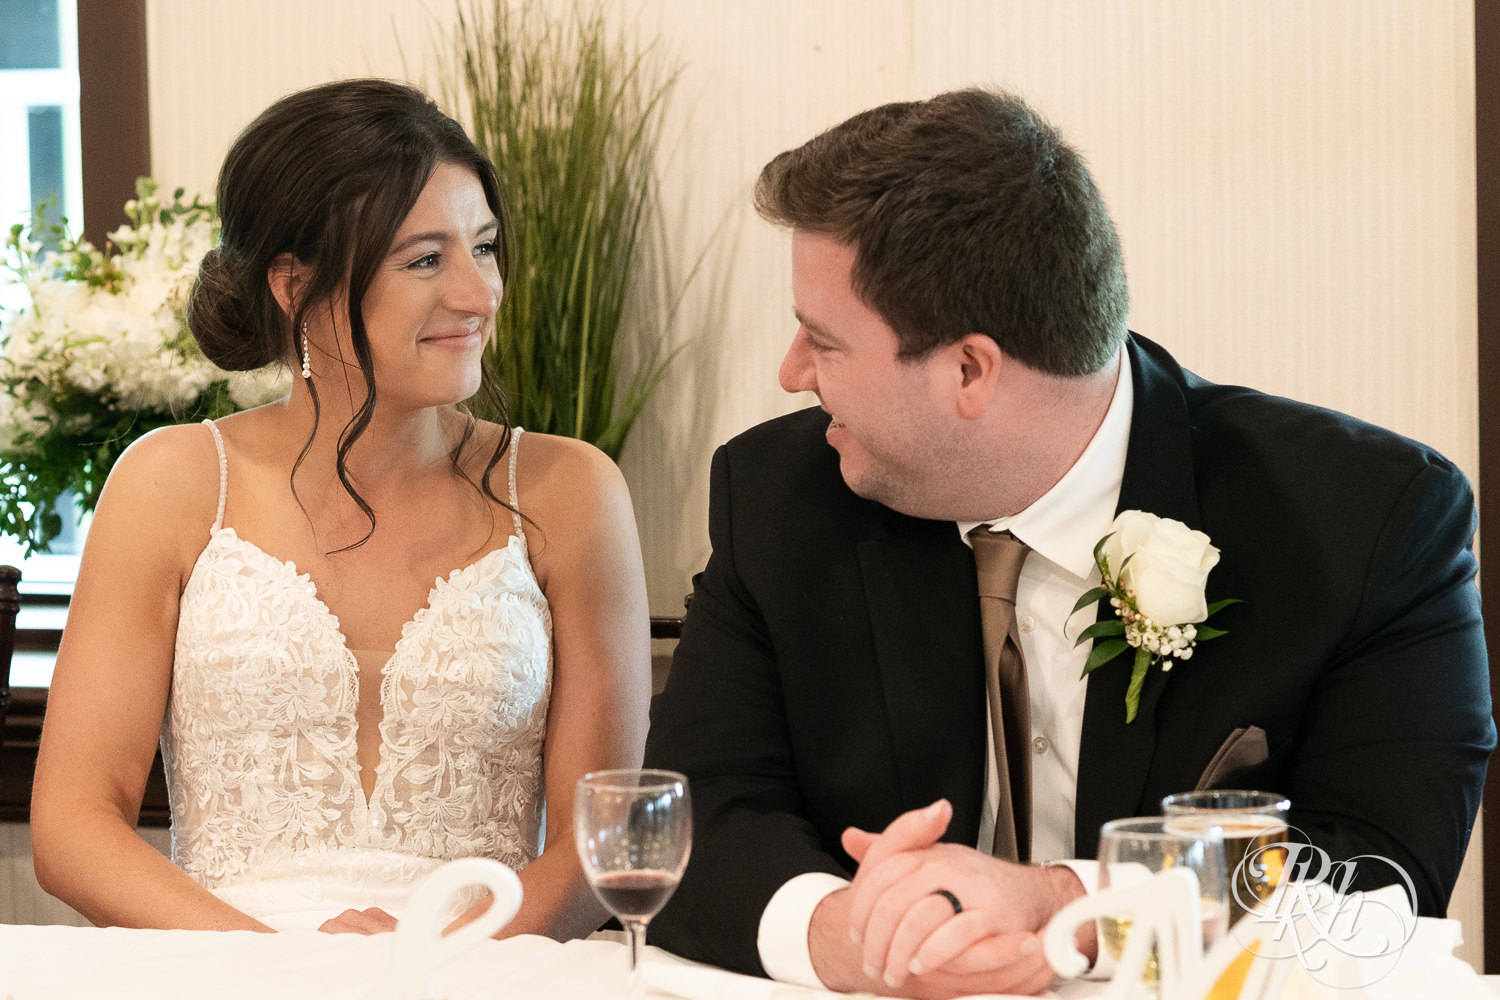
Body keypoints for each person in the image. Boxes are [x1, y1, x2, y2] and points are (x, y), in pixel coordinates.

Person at [643, 88, 1493, 997]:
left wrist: (1068, 907)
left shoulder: (1369, 519)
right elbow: (694, 816)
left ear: (970, 368)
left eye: (822, 341)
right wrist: (837, 930)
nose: (791, 374)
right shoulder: (779, 497)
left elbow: (1378, 878)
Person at [30, 79, 651, 939]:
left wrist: (441, 953)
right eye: (425, 259)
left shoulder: (570, 492)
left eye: (485, 248)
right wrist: (283, 966)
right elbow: (71, 828)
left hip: (477, 972)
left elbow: (601, 837)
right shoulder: (169, 483)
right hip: (226, 972)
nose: (479, 295)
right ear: (294, 284)